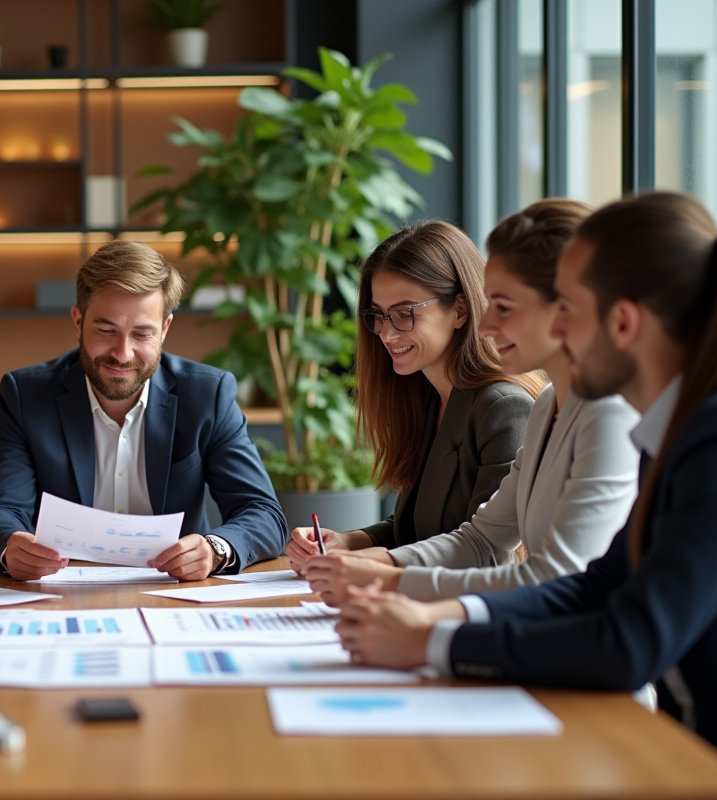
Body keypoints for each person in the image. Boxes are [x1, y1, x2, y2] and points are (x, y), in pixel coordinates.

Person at [334, 192, 717, 746]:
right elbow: (595, 585)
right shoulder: (664, 431)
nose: (485, 323)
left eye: (568, 310)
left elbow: (627, 640)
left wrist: (435, 638)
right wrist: (431, 617)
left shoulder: (694, 442)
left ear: (623, 321)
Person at [304, 200, 640, 603]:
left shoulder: (602, 414)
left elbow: (550, 575)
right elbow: (479, 539)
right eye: (379, 316)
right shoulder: (546, 406)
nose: (486, 323)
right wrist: (368, 559)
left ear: (567, 306)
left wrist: (393, 583)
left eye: (504, 306)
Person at [0, 240, 287, 581]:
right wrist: (10, 546)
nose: (122, 354)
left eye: (141, 334)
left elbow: (263, 513)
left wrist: (215, 550)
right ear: (78, 321)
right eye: (106, 331)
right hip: (62, 590)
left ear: (164, 329)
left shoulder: (208, 395)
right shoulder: (25, 396)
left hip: (176, 591)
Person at [286, 221, 542, 566]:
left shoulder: (504, 408)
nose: (386, 334)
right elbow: (417, 530)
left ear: (460, 310)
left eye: (404, 314)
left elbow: (487, 552)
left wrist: (371, 563)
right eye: (378, 316)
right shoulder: (427, 397)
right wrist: (347, 543)